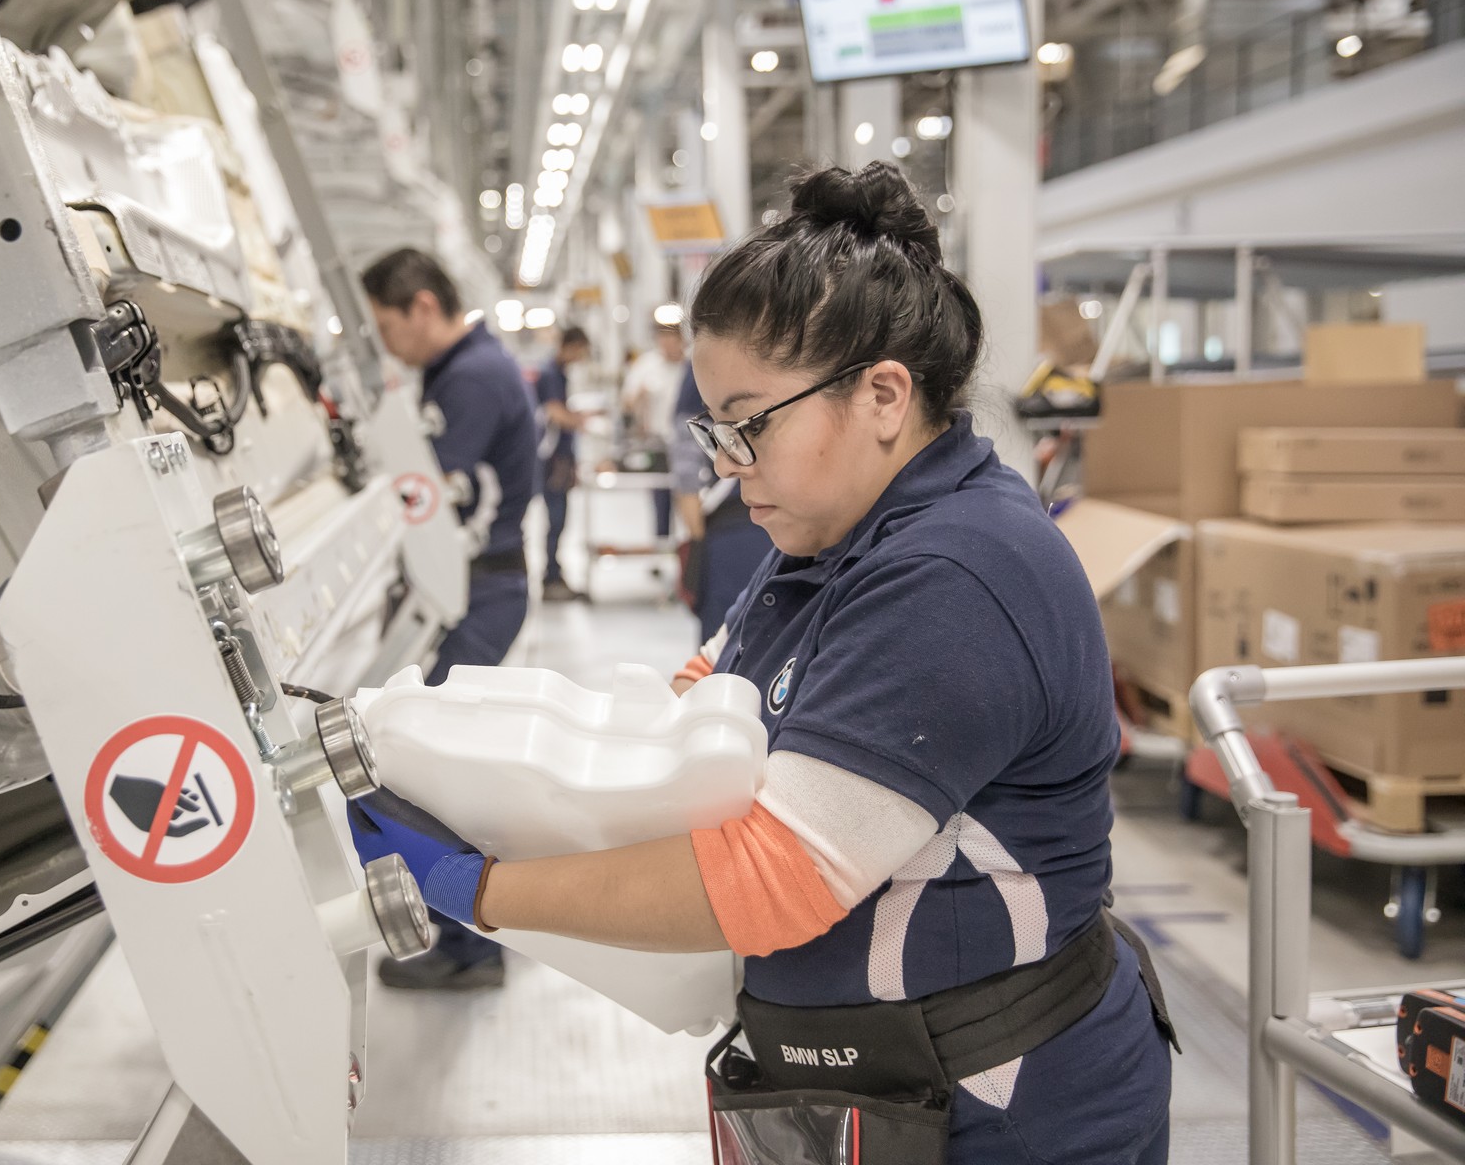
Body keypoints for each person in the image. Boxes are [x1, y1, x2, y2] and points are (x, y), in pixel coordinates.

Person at [352, 164, 1175, 1161]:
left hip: (1002, 1113)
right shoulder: (826, 542)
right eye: (716, 428)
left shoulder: (958, 575)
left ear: (882, 394)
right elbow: (697, 704)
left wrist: (469, 883)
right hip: (870, 1090)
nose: (724, 465)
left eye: (750, 424)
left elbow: (767, 878)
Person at [362, 247, 538, 989]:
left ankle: (470, 949)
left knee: (429, 774)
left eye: (386, 325)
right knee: (437, 762)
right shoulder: (470, 368)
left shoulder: (470, 380)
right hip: (478, 586)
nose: (385, 343)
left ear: (424, 307)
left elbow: (422, 493)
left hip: (475, 592)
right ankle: (477, 929)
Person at [667, 363, 773, 641]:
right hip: (732, 526)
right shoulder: (705, 361)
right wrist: (697, 535)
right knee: (725, 644)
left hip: (781, 525)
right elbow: (686, 451)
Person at [533, 326, 593, 602]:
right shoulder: (549, 373)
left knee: (561, 518)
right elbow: (554, 413)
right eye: (580, 350)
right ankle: (550, 577)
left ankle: (555, 573)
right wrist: (579, 421)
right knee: (556, 518)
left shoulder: (558, 373)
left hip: (562, 457)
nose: (580, 357)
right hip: (553, 459)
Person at [621, 321, 689, 536]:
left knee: (689, 497)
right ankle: (661, 548)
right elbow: (627, 401)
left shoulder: (691, 366)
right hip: (658, 442)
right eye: (663, 338)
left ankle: (690, 553)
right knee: (661, 499)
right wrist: (639, 399)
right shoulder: (647, 365)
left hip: (688, 444)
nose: (667, 344)